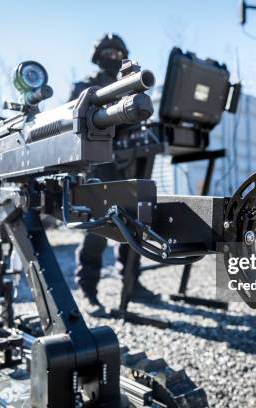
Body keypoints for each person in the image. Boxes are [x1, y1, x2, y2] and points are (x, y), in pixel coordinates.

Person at [70, 33, 159, 317]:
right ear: (97, 57)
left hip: (129, 163)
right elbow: (76, 121)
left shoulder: (129, 89)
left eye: (116, 52)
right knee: (96, 231)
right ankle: (88, 291)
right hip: (97, 167)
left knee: (133, 226)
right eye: (107, 52)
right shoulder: (85, 87)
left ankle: (132, 283)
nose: (112, 57)